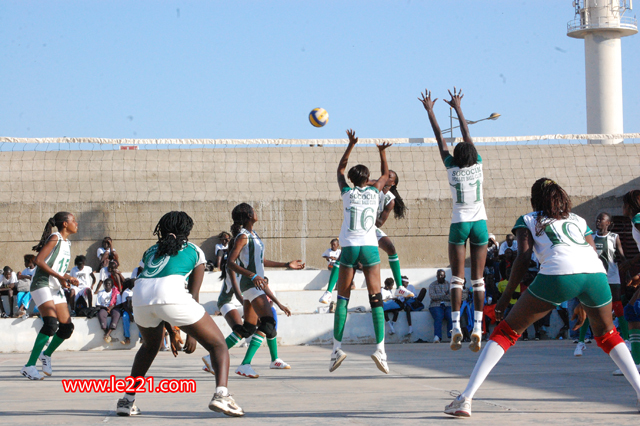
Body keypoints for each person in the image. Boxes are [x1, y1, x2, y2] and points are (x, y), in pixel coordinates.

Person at [444, 178, 640, 417]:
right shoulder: (578, 220)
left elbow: (523, 258)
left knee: (506, 332)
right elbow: (591, 253)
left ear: (534, 200)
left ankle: (465, 398)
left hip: (558, 273)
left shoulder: (528, 219)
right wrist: (583, 298)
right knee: (609, 335)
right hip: (596, 275)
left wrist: (505, 298)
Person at [116, 211, 243, 417]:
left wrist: (173, 329)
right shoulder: (194, 250)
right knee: (218, 344)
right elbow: (193, 294)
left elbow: (156, 297)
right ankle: (222, 396)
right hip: (171, 297)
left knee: (149, 347)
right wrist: (191, 335)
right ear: (187, 230)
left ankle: (127, 400)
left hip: (139, 299)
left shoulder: (150, 251)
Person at [420, 88, 488, 352]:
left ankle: (456, 327)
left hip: (459, 223)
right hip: (479, 223)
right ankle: (478, 328)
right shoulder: (478, 164)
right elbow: (466, 135)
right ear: (472, 154)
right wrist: (458, 108)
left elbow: (440, 138)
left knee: (457, 278)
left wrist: (430, 111)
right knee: (478, 280)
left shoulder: (451, 167)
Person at [329, 129, 394, 374]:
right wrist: (382, 152)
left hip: (348, 247)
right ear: (368, 179)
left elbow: (340, 170)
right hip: (368, 247)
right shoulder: (375, 191)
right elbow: (386, 175)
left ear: (352, 179)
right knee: (375, 297)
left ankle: (336, 350)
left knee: (342, 298)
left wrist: (351, 145)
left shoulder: (347, 192)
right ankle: (381, 351)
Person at [224, 202, 304, 379]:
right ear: (248, 215)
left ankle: (211, 357)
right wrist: (252, 275)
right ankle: (245, 364)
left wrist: (286, 264)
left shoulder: (254, 235)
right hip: (251, 283)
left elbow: (261, 261)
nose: (256, 212)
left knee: (248, 327)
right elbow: (230, 262)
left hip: (255, 283)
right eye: (253, 210)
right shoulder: (243, 236)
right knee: (268, 323)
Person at [202, 260, 292, 376]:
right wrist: (251, 309)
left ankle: (273, 360)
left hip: (245, 299)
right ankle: (215, 357)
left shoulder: (248, 263)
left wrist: (278, 303)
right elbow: (237, 291)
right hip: (228, 302)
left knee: (260, 327)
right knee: (244, 329)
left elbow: (261, 275)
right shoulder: (233, 265)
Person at [21, 212, 79, 380]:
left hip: (54, 286)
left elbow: (57, 269)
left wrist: (67, 277)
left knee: (67, 327)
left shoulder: (67, 243)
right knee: (50, 324)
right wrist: (60, 277)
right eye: (73, 220)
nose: (76, 223)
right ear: (65, 224)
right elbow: (39, 260)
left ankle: (46, 354)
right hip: (41, 284)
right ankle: (29, 366)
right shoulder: (55, 238)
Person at [618, 190, 640, 373]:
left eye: (623, 204)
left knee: (634, 309)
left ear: (630, 205)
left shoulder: (638, 220)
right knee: (631, 311)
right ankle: (637, 362)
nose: (622, 207)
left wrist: (630, 262)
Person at [428, 269, 452, 343]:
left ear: (445, 276)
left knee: (451, 316)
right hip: (435, 305)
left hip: (448, 305)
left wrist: (439, 296)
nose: (440, 277)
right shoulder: (432, 285)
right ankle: (437, 337)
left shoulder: (449, 284)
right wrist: (445, 294)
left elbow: (451, 297)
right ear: (436, 276)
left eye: (442, 275)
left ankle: (452, 335)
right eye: (439, 275)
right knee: (438, 316)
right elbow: (432, 296)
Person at [96, 278, 121, 343]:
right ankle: (107, 333)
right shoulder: (101, 293)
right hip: (104, 308)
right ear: (104, 285)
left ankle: (107, 334)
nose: (108, 285)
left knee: (117, 314)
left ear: (112, 285)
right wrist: (106, 308)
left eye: (109, 284)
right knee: (101, 314)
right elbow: (97, 305)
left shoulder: (116, 292)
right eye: (106, 284)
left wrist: (111, 307)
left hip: (114, 307)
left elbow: (119, 304)